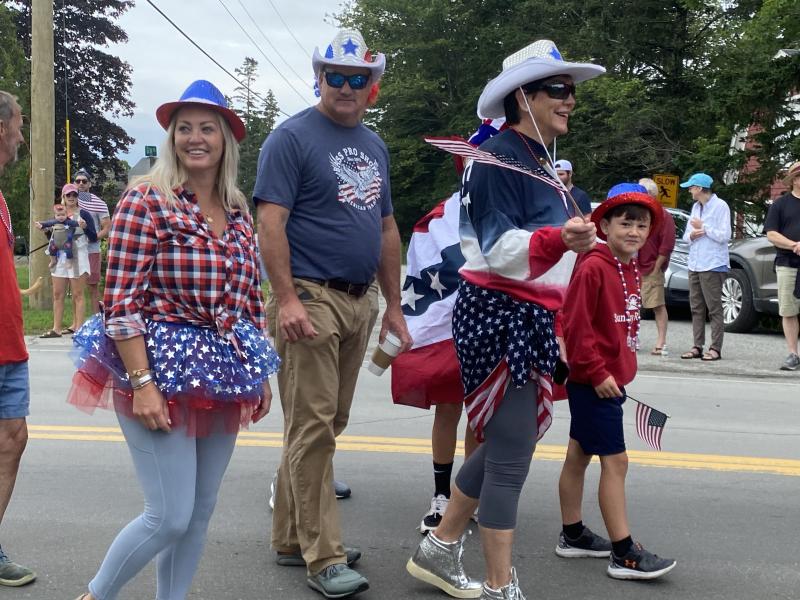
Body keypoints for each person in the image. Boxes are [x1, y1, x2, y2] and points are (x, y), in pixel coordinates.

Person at [67, 79, 279, 600]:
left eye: (208, 127)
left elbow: (249, 298)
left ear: (227, 138)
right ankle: (96, 595)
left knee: (199, 513)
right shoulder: (147, 199)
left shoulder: (236, 210)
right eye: (184, 128)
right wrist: (142, 383)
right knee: (168, 516)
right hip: (155, 365)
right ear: (172, 137)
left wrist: (261, 375)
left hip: (223, 370)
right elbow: (119, 302)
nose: (195, 138)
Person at [406, 39, 601, 600]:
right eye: (559, 90)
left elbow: (551, 258)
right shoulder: (494, 161)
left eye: (571, 91)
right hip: (499, 314)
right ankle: (498, 585)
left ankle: (440, 547)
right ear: (524, 97)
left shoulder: (540, 163)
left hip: (531, 316)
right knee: (512, 453)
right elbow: (494, 248)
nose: (571, 102)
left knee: (507, 441)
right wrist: (559, 237)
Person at [255, 28, 411, 599]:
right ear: (318, 79)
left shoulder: (375, 145)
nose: (345, 87)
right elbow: (270, 222)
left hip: (358, 299)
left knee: (321, 424)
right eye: (335, 76)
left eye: (357, 78)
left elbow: (387, 228)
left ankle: (292, 539)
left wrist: (394, 306)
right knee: (314, 428)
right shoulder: (291, 138)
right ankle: (325, 555)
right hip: (310, 296)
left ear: (373, 86)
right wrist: (288, 298)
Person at [557, 183, 676, 581]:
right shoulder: (593, 265)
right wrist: (597, 371)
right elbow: (575, 327)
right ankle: (623, 553)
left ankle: (572, 534)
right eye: (625, 223)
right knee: (616, 461)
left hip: (610, 376)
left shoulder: (628, 267)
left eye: (642, 225)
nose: (634, 232)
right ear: (603, 225)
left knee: (579, 453)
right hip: (595, 381)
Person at [0, 90, 36, 587]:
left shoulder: (3, 200)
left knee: (13, 441)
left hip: (10, 346)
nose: (22, 136)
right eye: (19, 125)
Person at [678, 173, 731, 362]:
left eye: (691, 187)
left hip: (713, 263)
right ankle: (697, 345)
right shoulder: (695, 207)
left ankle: (715, 347)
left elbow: (725, 235)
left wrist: (705, 227)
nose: (690, 191)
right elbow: (686, 235)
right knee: (696, 307)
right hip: (695, 262)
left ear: (699, 188)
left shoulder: (720, 206)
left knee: (714, 307)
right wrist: (692, 235)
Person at [39, 184, 96, 339]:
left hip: (78, 255)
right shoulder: (59, 212)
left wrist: (84, 228)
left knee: (78, 294)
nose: (71, 198)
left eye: (74, 195)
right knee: (57, 293)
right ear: (63, 197)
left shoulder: (84, 214)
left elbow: (94, 237)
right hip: (60, 256)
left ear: (78, 197)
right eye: (68, 195)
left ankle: (79, 329)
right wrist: (46, 232)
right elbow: (54, 236)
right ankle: (56, 328)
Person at [765, 160, 800, 370]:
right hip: (787, 262)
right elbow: (771, 233)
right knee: (788, 309)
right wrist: (794, 245)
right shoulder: (780, 204)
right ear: (794, 180)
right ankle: (793, 353)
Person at [637, 177, 676, 354]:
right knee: (630, 305)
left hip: (652, 266)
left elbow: (666, 245)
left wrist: (656, 266)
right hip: (634, 266)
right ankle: (632, 339)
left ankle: (662, 343)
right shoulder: (638, 213)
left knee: (657, 305)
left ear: (651, 195)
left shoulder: (663, 216)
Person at [74, 168, 111, 315]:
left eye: (84, 181)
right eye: (78, 181)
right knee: (76, 287)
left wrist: (94, 237)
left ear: (89, 184)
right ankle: (76, 323)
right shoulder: (70, 201)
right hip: (75, 249)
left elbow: (107, 228)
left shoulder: (98, 203)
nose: (81, 184)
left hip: (92, 250)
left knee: (93, 286)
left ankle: (97, 319)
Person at [36, 202, 81, 268]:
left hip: (66, 242)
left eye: (63, 215)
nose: (61, 217)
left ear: (66, 215)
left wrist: (80, 223)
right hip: (56, 242)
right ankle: (53, 260)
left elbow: (75, 223)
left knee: (69, 250)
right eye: (58, 215)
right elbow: (46, 223)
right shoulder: (53, 222)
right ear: (55, 216)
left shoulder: (68, 222)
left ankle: (69, 261)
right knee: (51, 248)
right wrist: (40, 223)